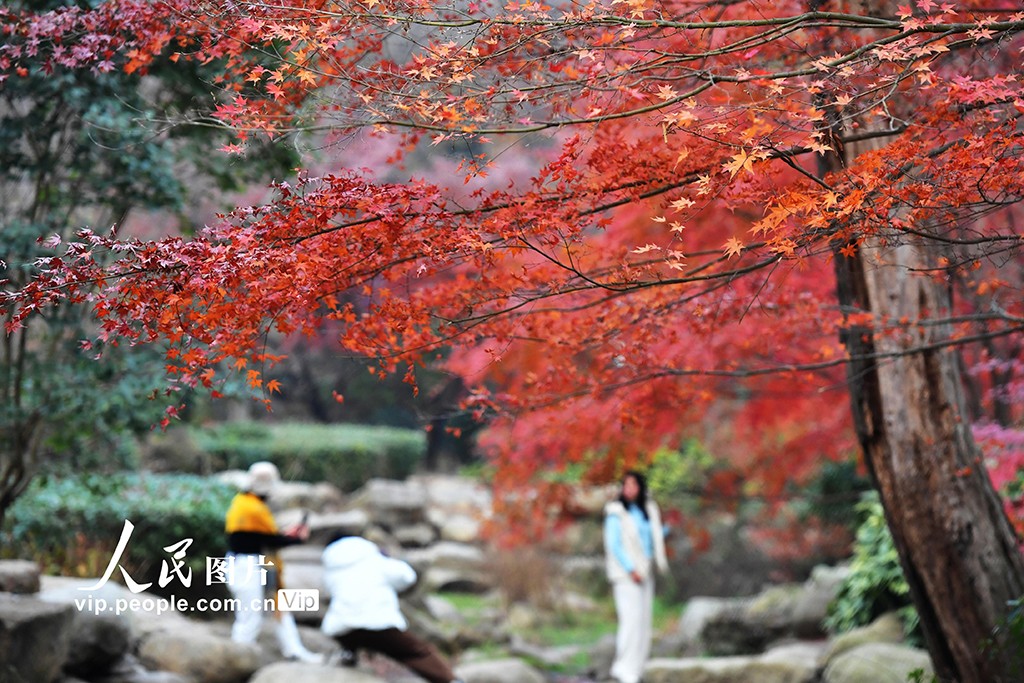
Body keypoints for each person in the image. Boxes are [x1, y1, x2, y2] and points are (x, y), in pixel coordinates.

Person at [320, 534, 464, 683]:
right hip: (378, 623)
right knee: (416, 652)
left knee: (352, 635)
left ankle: (349, 653)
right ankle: (450, 680)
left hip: (342, 626)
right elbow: (407, 576)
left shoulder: (332, 569)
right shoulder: (374, 560)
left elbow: (329, 592)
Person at [224, 461, 322, 663]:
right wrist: (295, 539)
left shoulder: (245, 504)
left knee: (279, 609)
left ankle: (294, 650)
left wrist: (286, 536)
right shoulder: (251, 508)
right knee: (249, 616)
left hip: (254, 563)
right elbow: (266, 539)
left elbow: (260, 537)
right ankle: (236, 659)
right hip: (245, 566)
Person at [603, 470, 669, 683]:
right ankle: (623, 668)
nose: (629, 489)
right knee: (630, 621)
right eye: (626, 485)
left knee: (643, 622)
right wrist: (631, 569)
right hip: (626, 575)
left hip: (646, 571)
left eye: (634, 485)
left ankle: (637, 667)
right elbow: (614, 544)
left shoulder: (646, 510)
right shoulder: (616, 512)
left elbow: (651, 537)